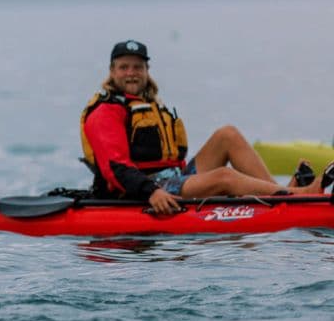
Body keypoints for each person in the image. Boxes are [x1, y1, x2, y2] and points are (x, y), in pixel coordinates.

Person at [81, 40, 328, 213]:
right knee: (224, 177)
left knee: (227, 135)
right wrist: (152, 193)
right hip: (141, 189)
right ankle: (299, 196)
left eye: (138, 67)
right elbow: (116, 168)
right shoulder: (105, 111)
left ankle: (281, 194)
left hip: (172, 179)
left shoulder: (147, 104)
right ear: (112, 72)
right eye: (124, 67)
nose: (131, 73)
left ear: (147, 71)